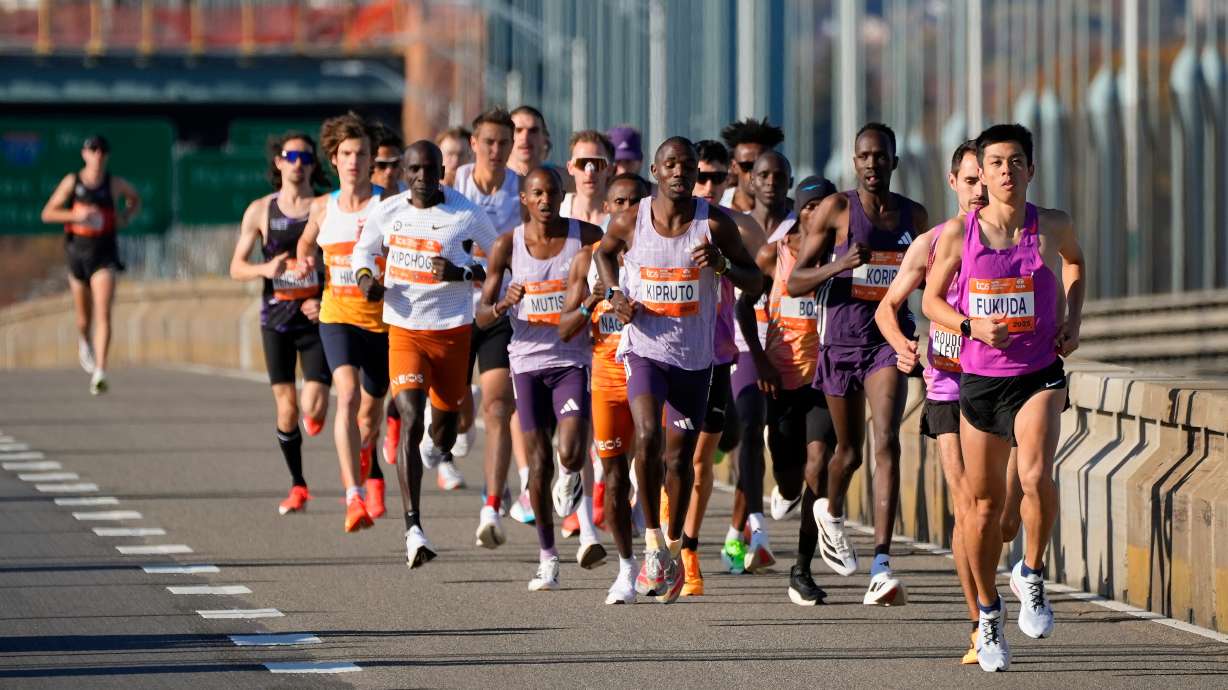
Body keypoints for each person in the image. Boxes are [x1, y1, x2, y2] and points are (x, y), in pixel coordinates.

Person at [923, 123, 1084, 672]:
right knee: (986, 508)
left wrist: (1072, 318)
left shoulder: (1051, 225)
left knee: (1036, 474)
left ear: (1030, 170)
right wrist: (970, 325)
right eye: (995, 163)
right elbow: (930, 302)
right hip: (981, 380)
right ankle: (988, 614)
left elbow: (1077, 265)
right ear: (982, 173)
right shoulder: (957, 234)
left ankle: (1033, 575)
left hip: (1038, 372)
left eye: (1016, 162)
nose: (1005, 172)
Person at [595, 136, 762, 603]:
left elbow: (757, 280)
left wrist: (725, 265)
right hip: (643, 350)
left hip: (694, 358)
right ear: (655, 169)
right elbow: (603, 254)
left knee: (678, 460)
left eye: (687, 166)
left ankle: (672, 543)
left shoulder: (715, 223)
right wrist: (614, 296)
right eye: (671, 165)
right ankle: (651, 544)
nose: (680, 173)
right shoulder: (631, 218)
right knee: (646, 435)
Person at [786, 122, 929, 606]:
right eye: (864, 156)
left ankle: (882, 565)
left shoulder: (914, 215)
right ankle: (829, 512)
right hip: (839, 346)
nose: (872, 164)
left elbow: (934, 281)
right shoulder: (836, 210)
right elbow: (796, 282)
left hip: (888, 343)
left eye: (881, 156)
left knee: (886, 437)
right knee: (847, 453)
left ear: (894, 161)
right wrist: (839, 265)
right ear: (855, 162)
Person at [352, 140, 499, 567]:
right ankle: (413, 528)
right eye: (413, 170)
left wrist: (462, 272)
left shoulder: (464, 211)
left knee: (443, 434)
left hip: (453, 332)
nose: (421, 178)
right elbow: (364, 253)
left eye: (429, 170)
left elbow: (504, 260)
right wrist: (366, 280)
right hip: (404, 330)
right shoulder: (389, 210)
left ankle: (440, 443)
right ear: (403, 172)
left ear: (441, 171)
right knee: (410, 416)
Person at [477, 167, 605, 590]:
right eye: (538, 193)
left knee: (570, 450)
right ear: (525, 201)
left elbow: (617, 253)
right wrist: (501, 305)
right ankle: (547, 558)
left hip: (571, 358)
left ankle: (571, 480)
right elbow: (480, 315)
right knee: (537, 464)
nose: (546, 199)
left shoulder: (583, 235)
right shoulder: (507, 245)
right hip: (527, 362)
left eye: (553, 192)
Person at [228, 132, 333, 516]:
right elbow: (235, 267)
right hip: (276, 318)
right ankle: (298, 485)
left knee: (315, 405)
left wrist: (322, 296)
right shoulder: (260, 210)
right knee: (286, 407)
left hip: (317, 315)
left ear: (313, 164)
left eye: (305, 157)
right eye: (291, 156)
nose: (298, 163)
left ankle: (315, 415)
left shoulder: (325, 207)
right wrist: (264, 268)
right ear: (279, 162)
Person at [295, 112, 388, 533]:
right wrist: (303, 263)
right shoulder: (322, 206)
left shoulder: (390, 204)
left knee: (370, 415)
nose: (354, 161)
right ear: (334, 158)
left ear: (372, 160)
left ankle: (365, 450)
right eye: (347, 153)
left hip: (385, 323)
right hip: (338, 317)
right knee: (346, 396)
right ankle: (353, 497)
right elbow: (305, 243)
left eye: (362, 153)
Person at [677, 139, 762, 596]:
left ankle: (688, 549)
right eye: (699, 176)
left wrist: (724, 263)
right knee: (669, 456)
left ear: (729, 178)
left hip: (716, 352)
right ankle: (665, 536)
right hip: (665, 354)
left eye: (714, 177)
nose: (706, 185)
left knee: (699, 458)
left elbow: (757, 279)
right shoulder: (660, 220)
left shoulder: (733, 225)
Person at [757, 175, 839, 604]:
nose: (818, 213)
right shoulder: (778, 252)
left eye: (826, 205)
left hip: (829, 380)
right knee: (790, 476)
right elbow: (741, 301)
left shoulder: (848, 256)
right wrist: (756, 356)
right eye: (810, 206)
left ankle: (802, 568)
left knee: (818, 466)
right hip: (784, 379)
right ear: (800, 210)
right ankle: (786, 492)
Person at [453, 108, 527, 523]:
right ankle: (448, 421)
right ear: (474, 144)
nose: (496, 150)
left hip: (500, 308)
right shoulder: (456, 184)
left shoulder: (520, 190)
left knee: (499, 406)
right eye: (489, 142)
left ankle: (492, 505)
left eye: (504, 142)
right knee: (458, 411)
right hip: (456, 310)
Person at [40, 134, 141, 395]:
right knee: (84, 318)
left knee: (103, 312)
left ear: (106, 156)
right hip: (77, 253)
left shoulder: (114, 184)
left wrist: (125, 216)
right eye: (92, 150)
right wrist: (75, 214)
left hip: (104, 253)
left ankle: (100, 371)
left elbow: (134, 199)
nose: (97, 155)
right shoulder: (72, 182)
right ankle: (84, 339)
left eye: (102, 150)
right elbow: (48, 213)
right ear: (84, 154)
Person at [719, 118, 784, 212]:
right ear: (734, 166)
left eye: (762, 167)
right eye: (747, 166)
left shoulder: (789, 213)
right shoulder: (716, 204)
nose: (754, 173)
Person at [560, 130, 614, 226]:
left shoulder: (621, 217)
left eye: (597, 164)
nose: (589, 172)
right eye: (582, 163)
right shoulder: (557, 212)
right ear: (570, 168)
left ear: (609, 169)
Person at [508, 106, 552, 178]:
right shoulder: (490, 179)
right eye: (518, 130)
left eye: (533, 131)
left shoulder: (562, 180)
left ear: (545, 137)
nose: (525, 137)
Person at [371, 126, 405, 192]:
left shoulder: (411, 197)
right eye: (382, 164)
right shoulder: (349, 197)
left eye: (395, 163)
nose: (389, 171)